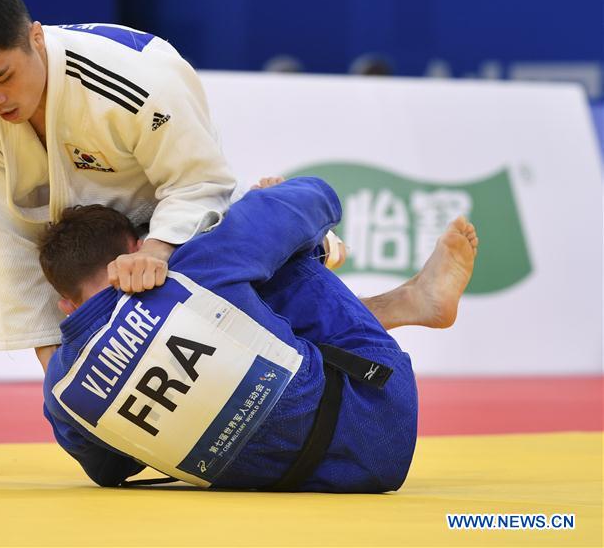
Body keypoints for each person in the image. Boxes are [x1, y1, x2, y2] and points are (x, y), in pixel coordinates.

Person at [0, 0, 470, 477]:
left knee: (220, 291)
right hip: (77, 233)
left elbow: (198, 181)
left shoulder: (135, 77)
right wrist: (67, 379)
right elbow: (8, 242)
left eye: (3, 77)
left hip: (166, 216)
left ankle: (328, 261)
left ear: (35, 38)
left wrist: (156, 250)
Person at [39, 177, 478, 490]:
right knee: (264, 255)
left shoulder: (60, 390)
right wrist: (257, 203)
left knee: (235, 306)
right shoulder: (193, 268)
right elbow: (319, 196)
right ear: (140, 248)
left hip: (281, 483)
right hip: (380, 420)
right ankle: (405, 299)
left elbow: (109, 470)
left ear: (67, 306)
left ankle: (404, 301)